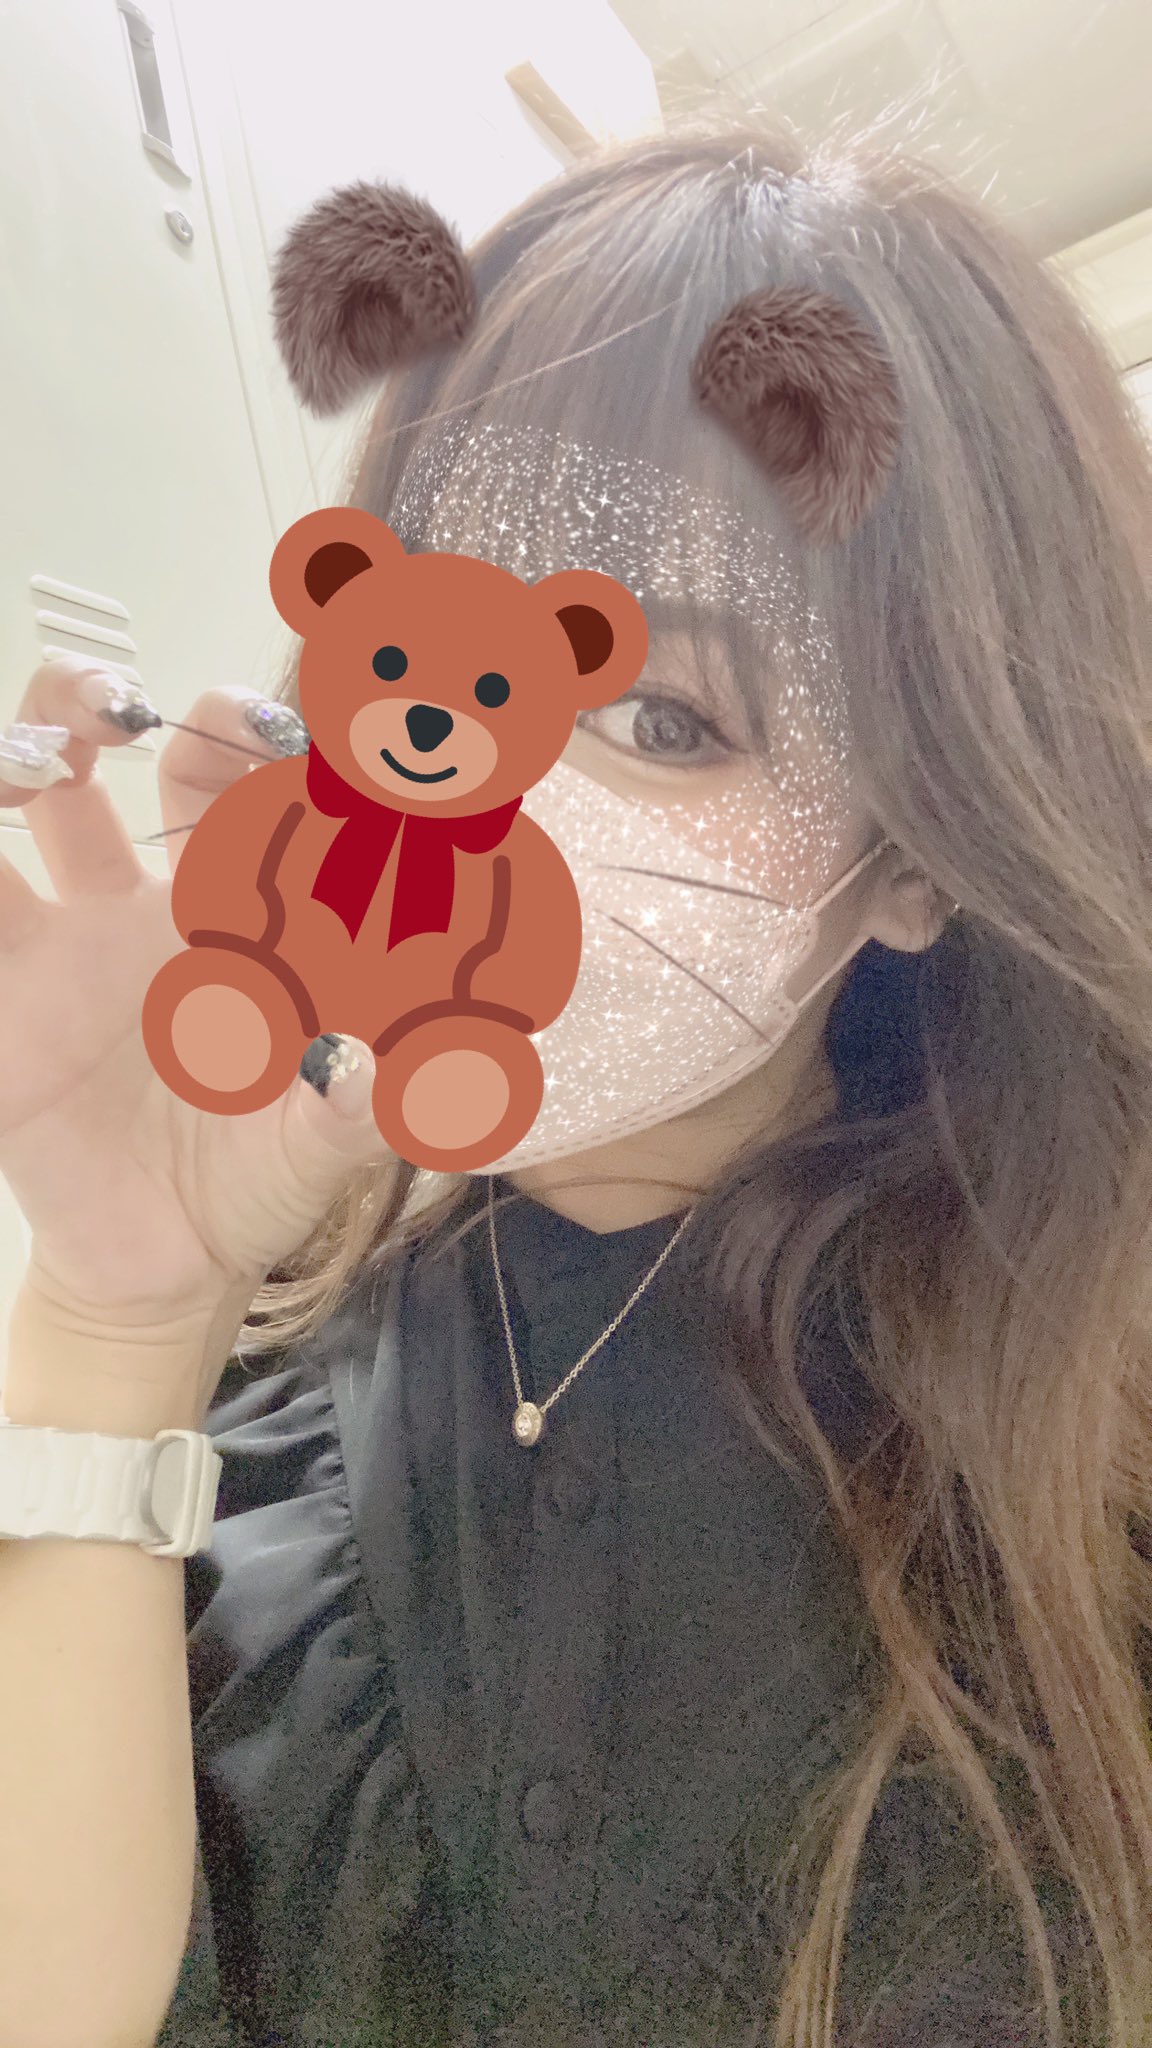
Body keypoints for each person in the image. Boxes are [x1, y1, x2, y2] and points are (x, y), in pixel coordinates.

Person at [0, 101, 1149, 2048]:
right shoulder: (248, 1362)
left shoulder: (1086, 1446)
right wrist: (116, 1317)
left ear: (921, 853)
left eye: (663, 715)